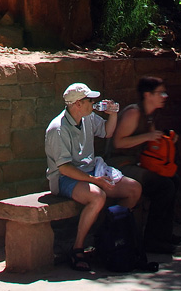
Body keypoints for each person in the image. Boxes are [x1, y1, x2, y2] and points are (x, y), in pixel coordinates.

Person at [45, 81, 143, 272]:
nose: (93, 103)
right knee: (98, 196)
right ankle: (78, 248)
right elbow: (64, 168)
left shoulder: (88, 117)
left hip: (91, 172)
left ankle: (106, 236)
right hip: (65, 178)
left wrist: (113, 115)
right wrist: (93, 181)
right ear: (77, 104)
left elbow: (107, 132)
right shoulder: (58, 128)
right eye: (89, 100)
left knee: (134, 189)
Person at [112, 76, 181, 254]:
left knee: (173, 180)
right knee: (163, 186)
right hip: (119, 165)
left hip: (138, 164)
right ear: (147, 95)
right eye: (160, 93)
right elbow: (118, 143)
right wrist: (148, 137)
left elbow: (153, 143)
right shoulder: (133, 113)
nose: (164, 96)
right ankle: (153, 240)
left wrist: (167, 139)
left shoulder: (149, 115)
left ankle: (164, 234)